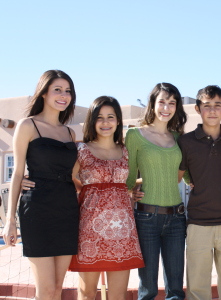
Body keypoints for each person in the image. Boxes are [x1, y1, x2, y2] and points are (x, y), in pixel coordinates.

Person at [21, 96, 145, 299]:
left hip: (123, 232)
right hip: (90, 231)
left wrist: (131, 192)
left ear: (118, 120)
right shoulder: (81, 150)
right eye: (100, 117)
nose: (105, 122)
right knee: (87, 293)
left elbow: (131, 180)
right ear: (92, 121)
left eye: (111, 117)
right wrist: (25, 180)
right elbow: (63, 176)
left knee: (119, 295)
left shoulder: (126, 151)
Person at [1, 70, 79, 299]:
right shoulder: (27, 125)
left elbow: (75, 175)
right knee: (45, 290)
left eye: (68, 91)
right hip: (37, 209)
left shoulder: (70, 133)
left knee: (57, 288)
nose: (63, 95)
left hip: (67, 210)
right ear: (43, 93)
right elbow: (17, 174)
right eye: (57, 90)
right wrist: (9, 221)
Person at [177, 85, 221, 300]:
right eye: (207, 106)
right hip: (198, 224)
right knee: (197, 289)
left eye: (217, 106)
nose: (212, 111)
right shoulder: (185, 142)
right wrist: (137, 187)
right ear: (197, 109)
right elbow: (175, 177)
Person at [126, 83, 187, 300]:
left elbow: (189, 177)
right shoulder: (134, 135)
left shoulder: (179, 138)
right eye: (162, 101)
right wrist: (131, 192)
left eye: (172, 103)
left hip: (177, 219)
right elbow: (129, 178)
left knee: (176, 289)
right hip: (145, 218)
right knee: (148, 289)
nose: (166, 108)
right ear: (152, 103)